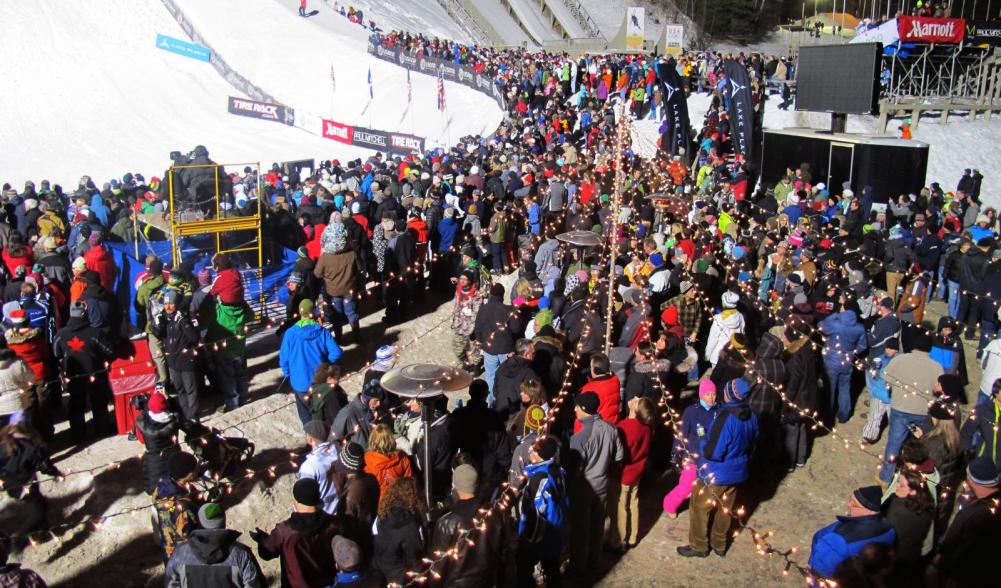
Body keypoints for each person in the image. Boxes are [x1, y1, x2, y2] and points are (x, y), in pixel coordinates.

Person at [678, 378, 758, 558]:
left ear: (729, 394)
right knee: (725, 509)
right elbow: (754, 443)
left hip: (717, 472)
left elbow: (713, 451)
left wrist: (703, 440)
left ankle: (699, 545)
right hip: (738, 471)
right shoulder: (752, 416)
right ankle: (719, 543)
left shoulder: (726, 418)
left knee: (699, 506)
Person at [428, 463, 513, 586]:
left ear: (456, 486)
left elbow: (438, 567)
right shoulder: (495, 515)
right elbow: (504, 554)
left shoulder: (447, 523)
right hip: (486, 582)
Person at [567, 392, 623, 576]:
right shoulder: (610, 428)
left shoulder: (579, 438)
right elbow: (618, 456)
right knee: (598, 525)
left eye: (577, 406)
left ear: (584, 410)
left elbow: (573, 468)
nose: (574, 409)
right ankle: (594, 560)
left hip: (584, 487)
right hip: (603, 483)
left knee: (580, 529)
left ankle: (578, 566)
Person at [250, 478, 343, 588]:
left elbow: (266, 553)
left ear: (297, 501)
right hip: (327, 583)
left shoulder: (284, 531)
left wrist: (261, 539)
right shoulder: (334, 524)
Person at [880, 332, 943, 485]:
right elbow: (939, 390)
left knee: (894, 443)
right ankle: (913, 477)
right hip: (923, 412)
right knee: (918, 446)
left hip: (900, 408)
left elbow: (886, 377)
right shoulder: (936, 367)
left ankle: (886, 477)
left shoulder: (900, 360)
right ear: (930, 349)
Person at [932, 456, 1001, 588]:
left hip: (966, 576)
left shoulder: (977, 515)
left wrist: (942, 561)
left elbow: (963, 550)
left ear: (972, 481)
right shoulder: (988, 504)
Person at [52, 300, 114, 442]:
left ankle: (78, 434)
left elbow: (56, 353)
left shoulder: (61, 334)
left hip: (74, 374)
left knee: (76, 404)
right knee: (98, 402)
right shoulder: (95, 332)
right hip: (95, 372)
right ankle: (102, 429)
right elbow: (109, 350)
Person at [165, 502, 266, 588]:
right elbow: (255, 584)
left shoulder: (181, 553)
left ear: (200, 522)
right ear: (223, 522)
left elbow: (170, 584)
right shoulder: (241, 554)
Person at [806, 486, 896, 579]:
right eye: (850, 500)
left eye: (854, 505)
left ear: (871, 512)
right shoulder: (889, 529)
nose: (849, 505)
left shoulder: (838, 540)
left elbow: (821, 570)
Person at [280, 298, 343, 425]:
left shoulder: (290, 334)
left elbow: (284, 360)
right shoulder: (322, 332)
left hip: (299, 383)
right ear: (313, 311)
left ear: (300, 312)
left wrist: (289, 374)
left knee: (306, 417)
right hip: (320, 382)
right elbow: (337, 352)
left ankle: (311, 439)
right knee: (322, 415)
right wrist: (326, 364)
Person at [516, 436, 568, 588]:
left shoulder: (540, 478)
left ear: (541, 455)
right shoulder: (559, 470)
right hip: (557, 530)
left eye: (534, 450)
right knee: (552, 568)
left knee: (523, 568)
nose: (530, 452)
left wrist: (528, 540)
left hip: (542, 535)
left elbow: (536, 514)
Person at [0, 422, 61, 549]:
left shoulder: (4, 444)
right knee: (38, 511)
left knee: (39, 503)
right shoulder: (32, 447)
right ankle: (19, 539)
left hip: (9, 483)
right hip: (26, 484)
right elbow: (44, 466)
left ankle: (44, 528)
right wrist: (56, 473)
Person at [664, 380, 718, 517]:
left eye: (713, 394)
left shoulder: (718, 412)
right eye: (708, 394)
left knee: (707, 487)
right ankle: (669, 504)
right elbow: (681, 433)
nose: (711, 398)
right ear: (701, 395)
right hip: (692, 458)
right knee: (686, 486)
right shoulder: (691, 411)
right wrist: (676, 452)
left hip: (709, 458)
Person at [609, 397, 654, 551]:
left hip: (624, 473)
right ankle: (633, 536)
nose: (634, 398)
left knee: (621, 507)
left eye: (637, 400)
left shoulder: (625, 427)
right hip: (638, 472)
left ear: (635, 409)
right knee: (633, 503)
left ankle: (620, 540)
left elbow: (619, 453)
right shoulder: (647, 428)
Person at [154, 289, 202, 422]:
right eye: (165, 304)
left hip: (186, 359)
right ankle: (185, 414)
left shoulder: (186, 316)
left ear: (177, 304)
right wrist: (157, 324)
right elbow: (159, 335)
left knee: (190, 389)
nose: (167, 307)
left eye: (171, 304)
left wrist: (182, 322)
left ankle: (193, 416)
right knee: (180, 389)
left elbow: (194, 337)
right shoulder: (165, 318)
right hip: (173, 361)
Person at [473, 283, 522, 405]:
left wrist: (481, 342)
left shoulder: (483, 309)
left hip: (489, 349)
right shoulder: (507, 310)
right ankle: (505, 399)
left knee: (490, 375)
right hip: (506, 349)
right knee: (507, 374)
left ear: (490, 294)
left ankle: (493, 401)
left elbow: (478, 328)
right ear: (502, 295)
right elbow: (516, 329)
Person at [372, 477, 426, 586]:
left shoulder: (382, 515)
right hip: (400, 578)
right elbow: (414, 556)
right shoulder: (410, 524)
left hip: (379, 570)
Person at [883, 469, 934, 581]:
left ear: (913, 491)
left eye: (901, 485)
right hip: (913, 556)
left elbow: (887, 533)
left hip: (896, 559)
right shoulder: (927, 506)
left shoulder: (898, 508)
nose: (896, 486)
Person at [818, 308, 867, 424]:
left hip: (831, 360)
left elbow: (821, 325)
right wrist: (853, 352)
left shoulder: (836, 325)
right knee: (845, 389)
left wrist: (833, 315)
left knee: (830, 389)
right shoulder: (859, 328)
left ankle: (827, 416)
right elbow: (863, 345)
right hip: (847, 362)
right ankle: (844, 415)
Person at [152, 452, 202, 564]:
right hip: (181, 556)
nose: (197, 469)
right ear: (187, 475)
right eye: (194, 468)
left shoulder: (162, 484)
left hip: (167, 547)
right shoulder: (183, 508)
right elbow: (193, 530)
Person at [136, 390, 180, 495]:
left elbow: (142, 440)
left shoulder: (143, 423)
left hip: (153, 463)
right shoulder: (173, 420)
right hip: (173, 458)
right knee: (176, 485)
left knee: (156, 490)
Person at [330, 442, 381, 530]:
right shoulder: (372, 478)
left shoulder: (351, 493)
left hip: (357, 535)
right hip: (370, 529)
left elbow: (346, 524)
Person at [862, 338, 899, 443]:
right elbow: (874, 377)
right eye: (887, 347)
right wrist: (873, 368)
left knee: (894, 421)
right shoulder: (881, 358)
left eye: (891, 348)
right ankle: (869, 437)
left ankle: (894, 441)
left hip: (892, 397)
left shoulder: (899, 362)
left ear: (896, 350)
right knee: (874, 417)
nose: (888, 350)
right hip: (880, 394)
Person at [299, 420, 339, 515]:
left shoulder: (310, 466)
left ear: (311, 440)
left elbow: (305, 500)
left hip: (323, 515)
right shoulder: (337, 451)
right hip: (339, 510)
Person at [331, 379, 386, 449]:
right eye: (376, 400)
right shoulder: (347, 414)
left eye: (380, 400)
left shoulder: (376, 409)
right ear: (367, 398)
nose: (379, 404)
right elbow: (334, 440)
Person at [363, 423, 414, 498]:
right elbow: (409, 484)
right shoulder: (402, 458)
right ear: (391, 438)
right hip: (398, 503)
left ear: (372, 439)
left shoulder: (366, 461)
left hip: (376, 505)